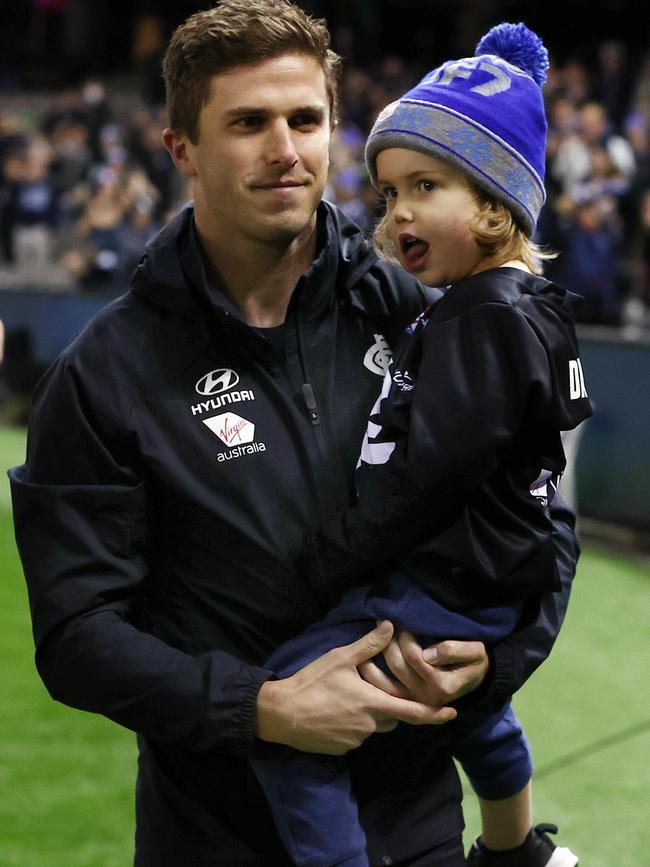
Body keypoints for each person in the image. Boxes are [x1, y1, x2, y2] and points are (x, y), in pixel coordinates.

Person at [9, 3, 581, 865]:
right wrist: (260, 707)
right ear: (182, 150)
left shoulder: (414, 311)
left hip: (420, 825)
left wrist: (495, 663)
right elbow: (78, 636)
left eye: (305, 119)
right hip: (220, 836)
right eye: (248, 123)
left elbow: (543, 514)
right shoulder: (106, 375)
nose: (284, 148)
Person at [248, 23, 589, 867]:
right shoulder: (523, 307)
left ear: (493, 204)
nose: (397, 212)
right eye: (389, 193)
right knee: (478, 713)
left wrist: (338, 552)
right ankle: (519, 852)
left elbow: (430, 472)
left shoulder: (484, 316)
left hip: (442, 578)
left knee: (287, 707)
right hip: (487, 583)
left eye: (424, 186)